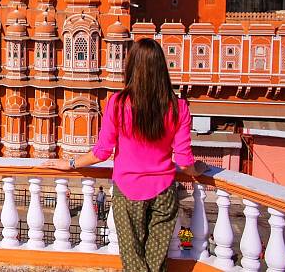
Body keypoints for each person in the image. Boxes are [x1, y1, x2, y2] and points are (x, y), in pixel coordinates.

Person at [42, 38, 207, 272]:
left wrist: (70, 163)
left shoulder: (118, 104)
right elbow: (184, 160)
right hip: (164, 191)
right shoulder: (178, 107)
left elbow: (102, 152)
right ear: (161, 68)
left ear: (131, 68)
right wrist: (197, 169)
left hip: (128, 191)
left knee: (134, 262)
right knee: (155, 263)